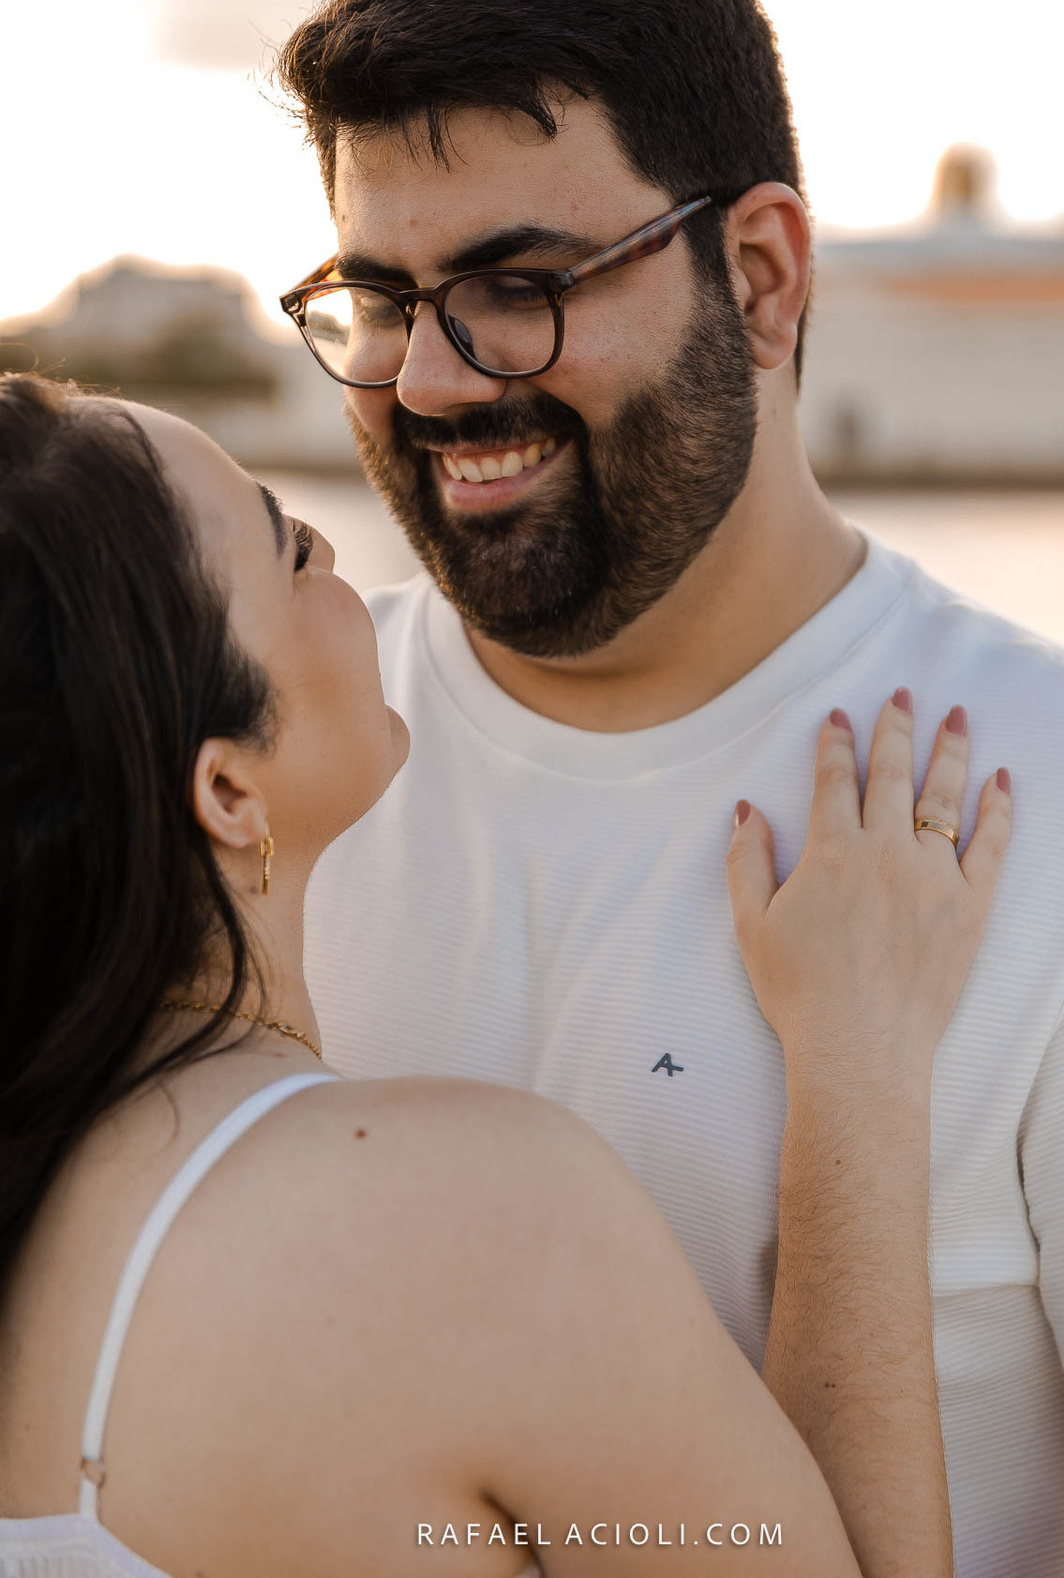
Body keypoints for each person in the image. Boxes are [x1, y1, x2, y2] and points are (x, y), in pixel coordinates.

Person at [276, 0, 1064, 1578]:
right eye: (385, 303)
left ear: (762, 278)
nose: (432, 381)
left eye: (519, 284)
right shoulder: (262, 758)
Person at [0, 371, 1010, 1575]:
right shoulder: (471, 1214)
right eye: (290, 550)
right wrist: (860, 1062)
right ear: (227, 789)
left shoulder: (45, 1194)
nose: (339, 556)